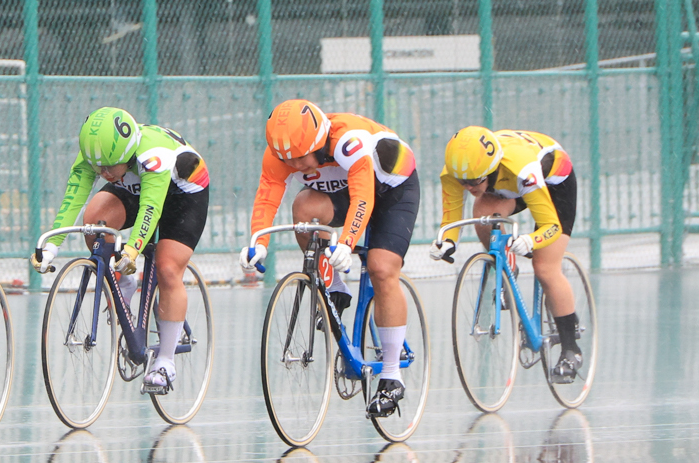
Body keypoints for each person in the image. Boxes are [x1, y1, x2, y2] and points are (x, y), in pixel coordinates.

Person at [243, 100, 418, 418]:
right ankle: (335, 287)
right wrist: (259, 241)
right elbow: (269, 192)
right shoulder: (281, 153)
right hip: (342, 191)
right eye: (288, 160)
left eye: (300, 158)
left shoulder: (347, 141)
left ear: (318, 142)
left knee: (380, 267)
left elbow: (363, 196)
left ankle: (392, 376)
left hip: (391, 189)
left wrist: (347, 242)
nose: (295, 166)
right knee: (304, 212)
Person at [33, 107, 210, 397]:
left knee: (167, 268)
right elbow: (72, 202)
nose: (100, 174)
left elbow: (151, 209)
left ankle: (165, 362)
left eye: (106, 169)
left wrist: (132, 250)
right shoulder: (97, 154)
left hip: (183, 192)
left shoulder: (152, 155)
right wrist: (52, 246)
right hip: (135, 184)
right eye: (97, 168)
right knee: (94, 222)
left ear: (126, 156)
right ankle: (124, 281)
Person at [430, 125, 585, 381]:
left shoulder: (521, 169)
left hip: (551, 182)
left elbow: (552, 226)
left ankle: (571, 349)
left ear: (489, 170)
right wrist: (447, 241)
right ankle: (507, 267)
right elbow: (452, 214)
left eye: (474, 181)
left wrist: (531, 240)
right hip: (507, 184)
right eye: (463, 183)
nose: (468, 187)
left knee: (545, 267)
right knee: (482, 215)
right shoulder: (455, 171)